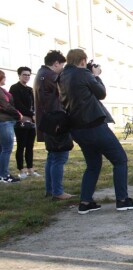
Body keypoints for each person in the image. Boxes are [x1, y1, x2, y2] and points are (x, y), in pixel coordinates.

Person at [58, 49, 133, 214]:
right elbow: (101, 93)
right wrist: (95, 75)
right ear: (83, 61)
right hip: (94, 125)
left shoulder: (62, 76)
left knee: (93, 165)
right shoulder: (83, 73)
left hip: (77, 128)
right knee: (120, 160)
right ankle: (123, 200)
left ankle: (85, 202)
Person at [34, 50, 74, 200]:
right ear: (56, 63)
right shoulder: (50, 76)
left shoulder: (41, 75)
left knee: (52, 157)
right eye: (62, 65)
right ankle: (57, 192)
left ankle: (51, 190)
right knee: (59, 157)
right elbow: (65, 90)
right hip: (55, 122)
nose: (62, 68)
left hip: (49, 122)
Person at [10, 66, 39, 179]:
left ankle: (30, 169)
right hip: (21, 121)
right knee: (21, 146)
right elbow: (17, 105)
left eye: (28, 75)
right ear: (19, 75)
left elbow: (35, 104)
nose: (26, 77)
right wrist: (31, 114)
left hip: (31, 122)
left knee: (30, 146)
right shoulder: (14, 88)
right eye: (24, 74)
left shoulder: (30, 89)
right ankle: (21, 170)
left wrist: (35, 114)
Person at [0, 70, 22, 183]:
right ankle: (4, 175)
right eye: (4, 77)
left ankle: (2, 174)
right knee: (6, 149)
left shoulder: (2, 90)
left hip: (5, 122)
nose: (5, 79)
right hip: (4, 122)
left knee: (2, 149)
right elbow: (6, 106)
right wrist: (18, 114)